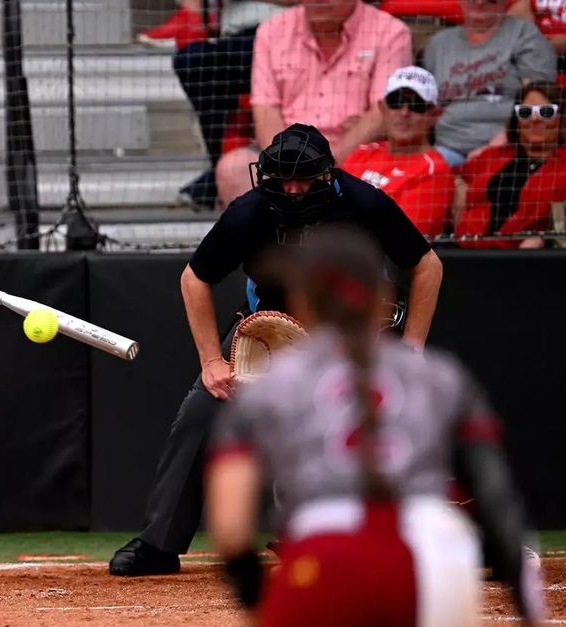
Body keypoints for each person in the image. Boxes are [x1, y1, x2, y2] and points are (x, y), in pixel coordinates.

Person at [205, 226, 556, 627]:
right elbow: (498, 503)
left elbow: (232, 529)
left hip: (324, 558)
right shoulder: (443, 378)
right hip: (434, 561)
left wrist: (258, 607)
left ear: (299, 303)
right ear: (383, 296)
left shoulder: (272, 389)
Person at [108, 124, 442, 577]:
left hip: (346, 333)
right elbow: (194, 278)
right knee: (202, 411)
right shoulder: (249, 213)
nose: (292, 190)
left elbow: (427, 266)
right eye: (281, 179)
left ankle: (334, 532)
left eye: (303, 179)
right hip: (268, 331)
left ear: (328, 175)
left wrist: (415, 347)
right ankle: (159, 543)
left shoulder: (364, 204)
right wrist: (211, 360)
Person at [215, 0, 412, 206]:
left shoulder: (391, 32)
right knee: (233, 168)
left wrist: (324, 165)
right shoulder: (272, 30)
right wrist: (288, 164)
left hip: (357, 153)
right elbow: (266, 109)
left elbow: (381, 113)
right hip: (286, 156)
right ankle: (271, 237)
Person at [172, 0, 297, 209]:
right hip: (232, 37)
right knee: (192, 61)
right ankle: (219, 173)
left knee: (216, 58)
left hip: (287, 32)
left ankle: (214, 182)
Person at [422, 0, 555, 167]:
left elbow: (538, 103)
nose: (479, 2)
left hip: (508, 150)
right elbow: (426, 109)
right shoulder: (438, 44)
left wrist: (491, 149)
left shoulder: (525, 35)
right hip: (446, 150)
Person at [341, 65, 455, 237]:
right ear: (382, 108)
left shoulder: (434, 171)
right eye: (396, 102)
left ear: (434, 114)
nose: (404, 112)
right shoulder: (361, 153)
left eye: (416, 105)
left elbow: (404, 242)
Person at [454, 80, 566, 247]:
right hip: (470, 253)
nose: (535, 119)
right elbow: (452, 174)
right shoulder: (494, 156)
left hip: (530, 260)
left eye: (546, 112)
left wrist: (542, 239)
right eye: (525, 112)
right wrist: (458, 186)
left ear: (561, 118)